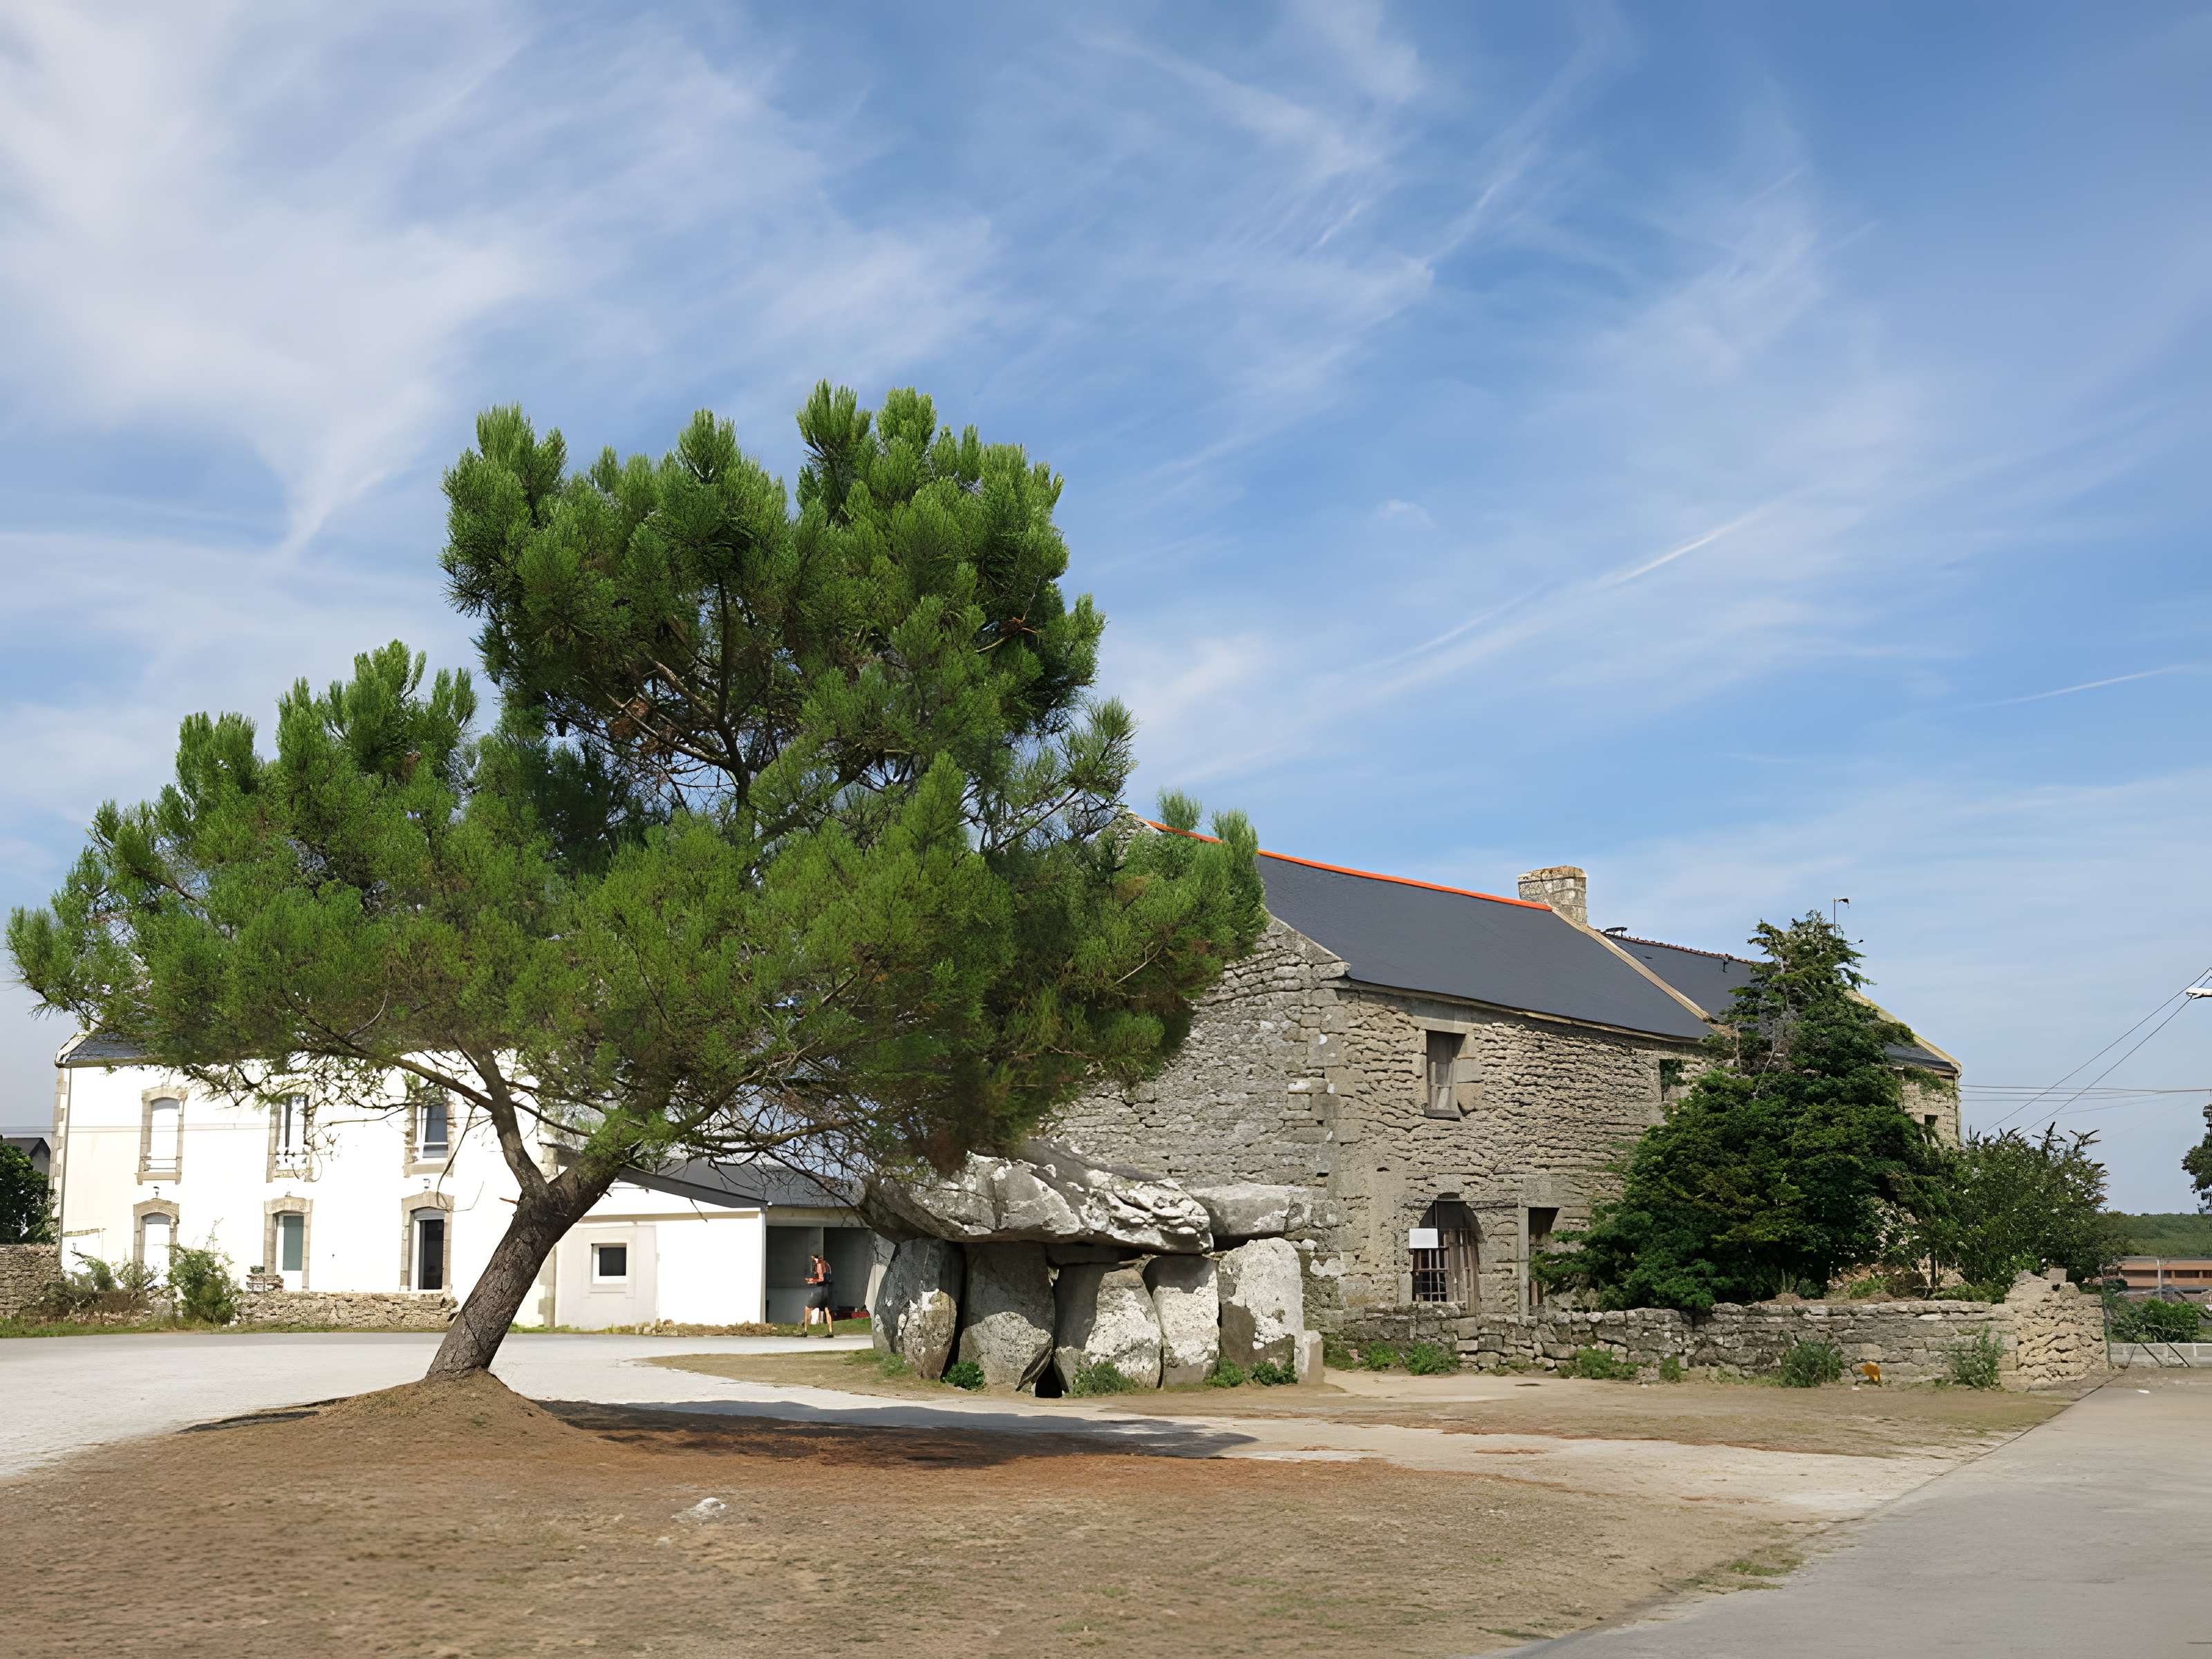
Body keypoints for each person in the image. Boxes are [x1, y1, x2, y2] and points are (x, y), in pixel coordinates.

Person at [804, 1252, 835, 1335]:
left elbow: (821, 1279)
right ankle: (830, 1332)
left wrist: (811, 1281)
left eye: (813, 1259)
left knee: (808, 1308)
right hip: (826, 1291)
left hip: (820, 1291)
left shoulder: (819, 1265)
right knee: (827, 1310)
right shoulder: (827, 1265)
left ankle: (805, 1331)